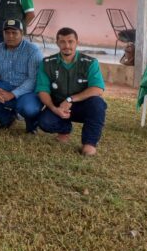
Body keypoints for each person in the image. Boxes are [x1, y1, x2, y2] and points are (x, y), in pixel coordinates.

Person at [35, 27, 107, 156]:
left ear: (77, 42)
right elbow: (42, 90)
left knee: (97, 104)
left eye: (70, 41)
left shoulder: (90, 63)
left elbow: (97, 88)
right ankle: (64, 130)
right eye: (62, 41)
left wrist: (70, 99)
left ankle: (89, 143)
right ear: (57, 43)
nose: (67, 45)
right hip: (59, 106)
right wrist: (54, 108)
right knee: (45, 122)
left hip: (82, 106)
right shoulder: (47, 63)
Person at [0, 19, 42, 132]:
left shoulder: (33, 50)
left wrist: (12, 94)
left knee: (28, 108)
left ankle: (32, 125)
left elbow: (33, 80)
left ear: (22, 33)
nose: (10, 36)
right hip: (4, 86)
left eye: (14, 33)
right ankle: (7, 118)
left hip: (27, 91)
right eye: (7, 32)